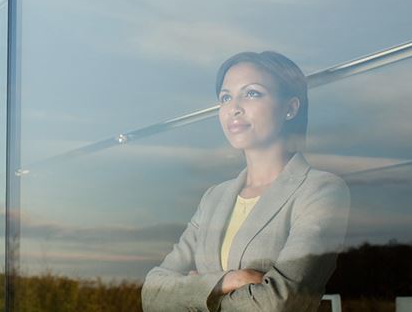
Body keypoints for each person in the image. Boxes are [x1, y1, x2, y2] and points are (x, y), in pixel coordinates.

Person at [142, 51, 350, 312]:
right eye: (226, 97)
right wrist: (225, 281)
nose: (234, 107)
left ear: (291, 107)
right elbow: (152, 294)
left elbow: (279, 303)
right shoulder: (213, 198)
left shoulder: (320, 190)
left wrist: (192, 293)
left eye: (252, 93)